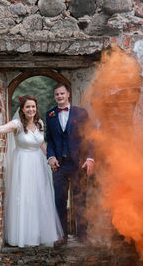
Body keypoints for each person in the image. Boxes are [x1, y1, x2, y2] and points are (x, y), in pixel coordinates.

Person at [0, 95, 63, 247]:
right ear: (22, 110)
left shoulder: (39, 123)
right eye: (28, 107)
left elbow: (41, 143)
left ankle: (41, 234)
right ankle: (25, 236)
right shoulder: (17, 124)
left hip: (38, 164)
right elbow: (1, 129)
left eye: (33, 106)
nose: (31, 109)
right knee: (25, 198)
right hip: (23, 164)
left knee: (40, 197)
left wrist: (50, 158)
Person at [46, 83, 94, 245]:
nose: (59, 96)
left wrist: (90, 158)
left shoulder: (81, 113)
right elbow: (50, 139)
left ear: (68, 95)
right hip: (59, 166)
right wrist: (51, 156)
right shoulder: (50, 114)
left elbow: (89, 136)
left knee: (80, 199)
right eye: (56, 94)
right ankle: (62, 236)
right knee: (59, 200)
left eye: (62, 93)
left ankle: (82, 235)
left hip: (78, 163)